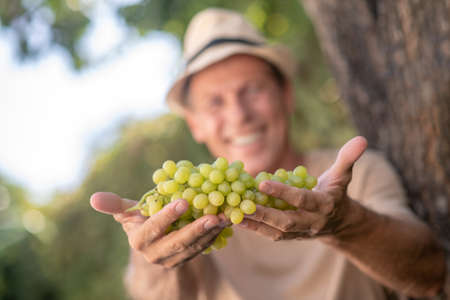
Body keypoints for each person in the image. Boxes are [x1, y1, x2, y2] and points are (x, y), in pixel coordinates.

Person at [90, 8, 445, 300]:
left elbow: (433, 275)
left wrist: (345, 223)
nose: (239, 115)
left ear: (286, 95)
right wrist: (153, 262)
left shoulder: (354, 175)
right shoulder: (189, 213)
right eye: (215, 102)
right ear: (195, 125)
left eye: (253, 90)